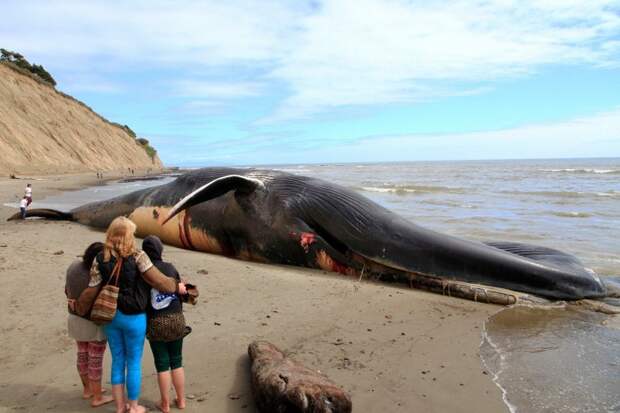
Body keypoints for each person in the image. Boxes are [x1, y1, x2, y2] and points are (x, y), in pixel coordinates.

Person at [75, 217, 186, 413]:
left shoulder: (101, 257)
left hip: (110, 316)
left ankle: (119, 407)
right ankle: (134, 406)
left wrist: (79, 307)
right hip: (135, 316)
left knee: (118, 360)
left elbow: (92, 289)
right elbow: (158, 281)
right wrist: (176, 286)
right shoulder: (138, 255)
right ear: (128, 235)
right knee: (133, 362)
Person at [65, 242, 114, 407]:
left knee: (82, 353)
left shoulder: (73, 266)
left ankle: (88, 390)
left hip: (74, 317)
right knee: (95, 359)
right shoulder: (98, 273)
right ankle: (98, 396)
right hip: (93, 320)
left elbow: (66, 290)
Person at [143, 235, 187, 413]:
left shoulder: (144, 272)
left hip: (156, 321)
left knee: (162, 364)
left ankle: (166, 404)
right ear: (160, 250)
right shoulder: (170, 267)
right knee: (177, 361)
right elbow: (180, 289)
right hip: (177, 318)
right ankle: (182, 401)